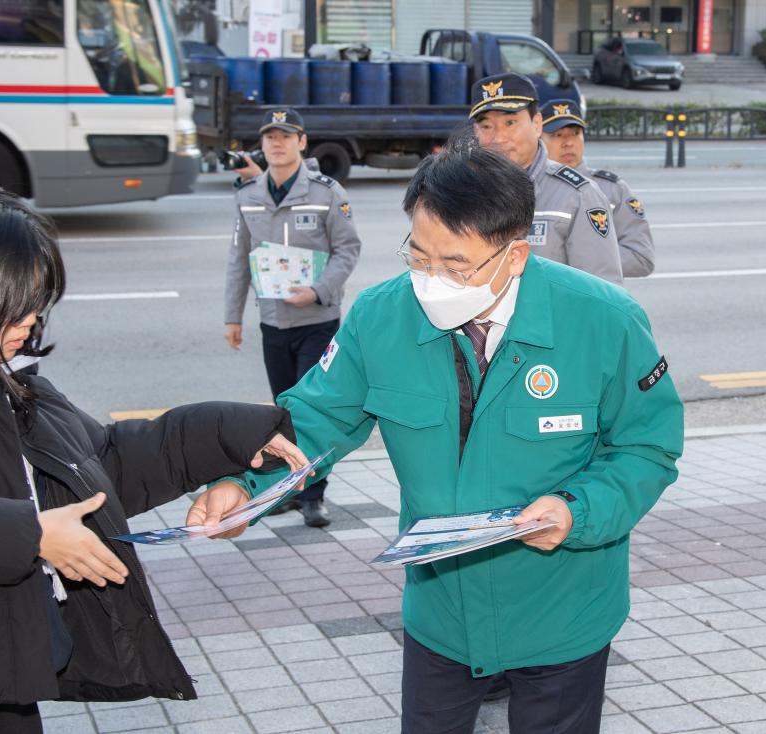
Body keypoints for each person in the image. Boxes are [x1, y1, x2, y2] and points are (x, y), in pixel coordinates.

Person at [196, 146, 684, 733]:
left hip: (563, 610)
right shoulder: (382, 316)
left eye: (457, 265)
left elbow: (646, 447)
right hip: (441, 614)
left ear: (516, 255)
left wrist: (578, 511)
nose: (432, 280)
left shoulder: (602, 319)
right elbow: (313, 419)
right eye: (418, 256)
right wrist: (244, 485)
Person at [0, 188, 309, 733]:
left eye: (38, 300)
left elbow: (101, 464)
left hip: (0, 682)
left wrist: (232, 432)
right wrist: (27, 535)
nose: (31, 319)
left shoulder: (2, 378)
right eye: (15, 301)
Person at [223, 107, 362, 528]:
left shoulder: (327, 192)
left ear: (302, 142)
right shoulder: (248, 196)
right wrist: (232, 316)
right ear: (262, 146)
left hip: (317, 322)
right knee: (281, 414)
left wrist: (319, 290)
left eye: (286, 136)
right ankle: (286, 489)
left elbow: (348, 249)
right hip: (273, 322)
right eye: (270, 137)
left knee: (313, 412)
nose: (277, 143)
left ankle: (315, 496)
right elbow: (238, 259)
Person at [470, 73, 623, 286]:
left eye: (510, 122)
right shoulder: (464, 192)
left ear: (537, 124)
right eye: (487, 126)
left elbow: (600, 292)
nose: (498, 138)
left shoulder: (578, 196)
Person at [540, 98, 656, 278]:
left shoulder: (612, 189)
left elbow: (641, 258)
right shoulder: (529, 187)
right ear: (539, 139)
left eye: (575, 133)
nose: (568, 142)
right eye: (557, 135)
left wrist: (582, 258)